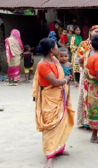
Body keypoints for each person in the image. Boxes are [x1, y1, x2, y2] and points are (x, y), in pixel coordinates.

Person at [33, 38, 74, 168]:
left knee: (61, 124)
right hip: (49, 98)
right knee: (50, 127)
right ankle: (49, 156)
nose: (58, 47)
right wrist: (66, 79)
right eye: (56, 45)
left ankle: (59, 148)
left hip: (60, 96)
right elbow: (55, 82)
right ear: (51, 49)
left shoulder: (55, 61)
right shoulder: (43, 65)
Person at [76, 25, 98, 129]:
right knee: (87, 97)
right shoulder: (84, 44)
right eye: (96, 31)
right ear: (90, 32)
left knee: (97, 100)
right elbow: (78, 58)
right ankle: (87, 121)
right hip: (87, 74)